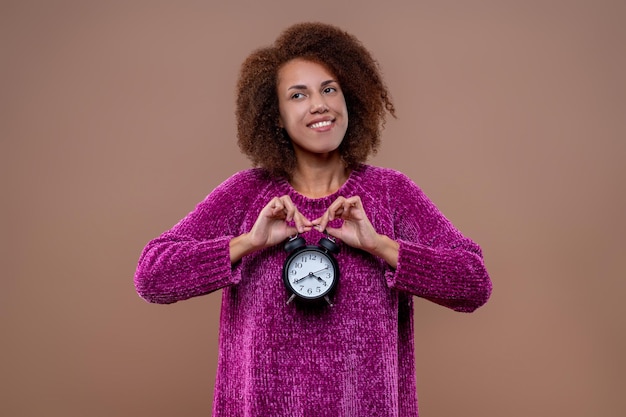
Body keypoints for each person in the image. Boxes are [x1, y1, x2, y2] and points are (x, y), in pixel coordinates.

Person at [134, 22, 492, 417]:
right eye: (298, 95)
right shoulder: (246, 194)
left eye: (328, 89)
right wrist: (248, 243)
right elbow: (152, 277)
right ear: (276, 117)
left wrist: (380, 245)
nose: (318, 104)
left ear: (349, 98)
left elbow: (474, 283)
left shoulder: (391, 193)